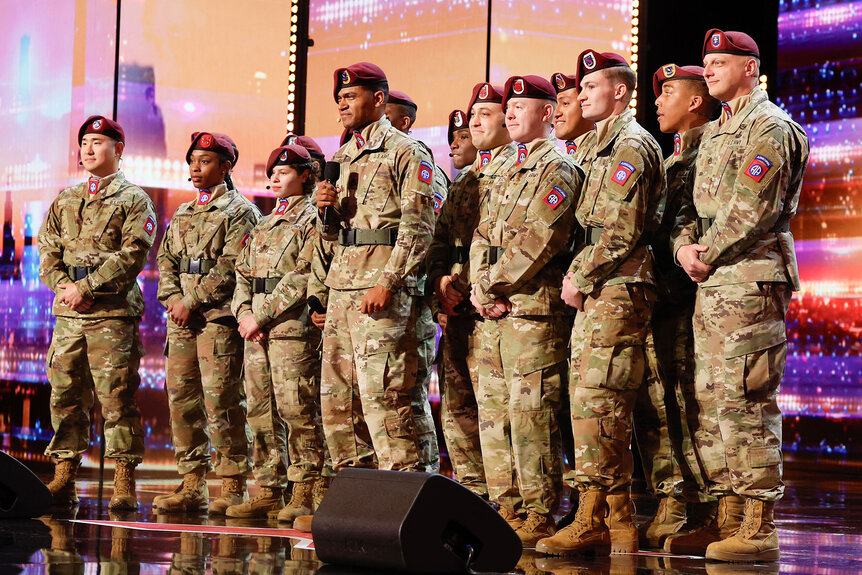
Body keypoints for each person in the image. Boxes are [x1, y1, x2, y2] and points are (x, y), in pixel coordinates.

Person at [666, 29, 809, 562]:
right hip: (711, 283)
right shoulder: (715, 134)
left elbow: (755, 210)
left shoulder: (769, 129)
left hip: (749, 280)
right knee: (711, 403)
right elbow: (686, 209)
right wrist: (684, 249)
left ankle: (758, 522)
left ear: (750, 68)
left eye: (721, 61)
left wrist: (705, 251)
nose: (710, 70)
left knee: (746, 401)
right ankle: (725, 514)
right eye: (706, 62)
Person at [538, 51, 666, 556]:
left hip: (617, 283)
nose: (582, 94)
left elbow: (621, 228)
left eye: (591, 86)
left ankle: (605, 519)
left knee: (602, 401)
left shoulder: (630, 145)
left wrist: (579, 275)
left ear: (619, 91)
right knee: (590, 402)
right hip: (597, 284)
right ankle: (606, 517)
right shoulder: (592, 146)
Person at [469, 75, 582, 546]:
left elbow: (540, 240)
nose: (511, 113)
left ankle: (539, 511)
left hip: (532, 312)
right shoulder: (502, 170)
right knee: (494, 415)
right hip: (490, 312)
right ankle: (507, 506)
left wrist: (492, 283)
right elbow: (481, 236)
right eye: (509, 106)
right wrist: (478, 288)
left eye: (522, 106)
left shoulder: (557, 168)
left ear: (548, 114)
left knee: (531, 413)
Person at [314, 62, 436, 475]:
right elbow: (332, 238)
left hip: (381, 289)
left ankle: (402, 497)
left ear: (379, 99)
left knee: (384, 396)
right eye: (340, 99)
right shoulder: (342, 156)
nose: (342, 105)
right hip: (342, 288)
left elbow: (419, 226)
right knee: (337, 399)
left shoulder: (407, 151)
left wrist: (389, 280)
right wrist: (325, 212)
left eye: (350, 97)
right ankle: (354, 496)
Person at [38, 115, 156, 510]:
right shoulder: (66, 198)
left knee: (116, 398)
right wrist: (66, 289)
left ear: (118, 150)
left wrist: (86, 288)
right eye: (84, 142)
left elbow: (133, 254)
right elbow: (47, 251)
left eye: (98, 142)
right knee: (66, 393)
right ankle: (64, 476)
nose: (88, 149)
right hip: (69, 313)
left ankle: (123, 481)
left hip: (112, 312)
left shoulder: (134, 199)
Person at [633, 63, 719, 549]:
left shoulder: (712, 150)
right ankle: (677, 500)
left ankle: (703, 506)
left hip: (691, 299)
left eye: (669, 92)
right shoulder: (672, 159)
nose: (658, 102)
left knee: (692, 406)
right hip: (663, 298)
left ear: (695, 101)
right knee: (662, 406)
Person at [155, 131, 261, 514]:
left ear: (225, 166)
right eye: (193, 162)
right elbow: (165, 260)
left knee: (223, 402)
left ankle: (233, 486)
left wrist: (191, 300)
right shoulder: (184, 211)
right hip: (181, 321)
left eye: (205, 161)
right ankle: (192, 483)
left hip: (217, 321)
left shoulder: (241, 212)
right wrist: (171, 300)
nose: (196, 169)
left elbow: (233, 267)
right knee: (181, 402)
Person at [225, 144, 327, 522]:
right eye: (272, 173)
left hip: (290, 327)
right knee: (260, 410)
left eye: (284, 172)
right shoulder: (265, 223)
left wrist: (261, 315)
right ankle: (269, 488)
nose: (275, 179)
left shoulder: (315, 218)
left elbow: (304, 274)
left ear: (305, 175)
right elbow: (242, 273)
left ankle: (305, 489)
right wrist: (243, 313)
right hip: (257, 332)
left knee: (297, 408)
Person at [384, 88, 448, 474]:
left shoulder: (421, 166)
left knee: (405, 393)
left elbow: (425, 232)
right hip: (368, 298)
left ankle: (420, 480)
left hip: (409, 298)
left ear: (404, 122)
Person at [426, 109, 484, 495]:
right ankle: (469, 489)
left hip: (483, 303)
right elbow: (439, 241)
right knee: (455, 407)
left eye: (464, 135)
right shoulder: (460, 186)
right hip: (453, 306)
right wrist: (440, 282)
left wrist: (460, 283)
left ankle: (499, 496)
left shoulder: (494, 180)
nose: (455, 143)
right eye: (453, 136)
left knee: (492, 409)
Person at [550, 72, 595, 162]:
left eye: (565, 103)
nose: (556, 113)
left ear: (585, 103)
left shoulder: (605, 153)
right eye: (555, 105)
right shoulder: (555, 157)